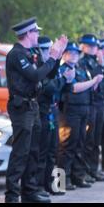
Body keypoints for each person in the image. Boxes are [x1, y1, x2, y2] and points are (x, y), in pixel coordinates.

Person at [3, 17, 67, 203]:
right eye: (36, 32)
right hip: (21, 107)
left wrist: (58, 55)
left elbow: (48, 74)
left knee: (34, 151)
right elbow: (35, 75)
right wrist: (53, 57)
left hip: (32, 105)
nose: (38, 34)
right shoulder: (17, 54)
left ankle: (29, 191)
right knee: (21, 152)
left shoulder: (32, 53)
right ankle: (12, 195)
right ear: (28, 34)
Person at [57, 42, 103, 190]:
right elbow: (75, 88)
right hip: (70, 111)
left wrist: (94, 82)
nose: (75, 55)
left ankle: (77, 176)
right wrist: (93, 81)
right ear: (64, 54)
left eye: (77, 53)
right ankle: (62, 181)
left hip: (83, 110)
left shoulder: (80, 69)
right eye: (71, 52)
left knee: (79, 145)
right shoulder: (64, 69)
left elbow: (90, 89)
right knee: (67, 147)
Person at [35, 36, 74, 196]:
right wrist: (65, 79)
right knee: (41, 152)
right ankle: (38, 186)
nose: (52, 52)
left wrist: (67, 80)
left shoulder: (52, 66)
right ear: (41, 51)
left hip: (53, 110)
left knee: (53, 150)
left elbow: (62, 89)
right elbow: (49, 88)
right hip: (42, 111)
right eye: (48, 50)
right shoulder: (40, 67)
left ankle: (50, 184)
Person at [78, 34, 104, 183]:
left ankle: (93, 169)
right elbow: (91, 82)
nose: (94, 49)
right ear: (83, 46)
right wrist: (99, 66)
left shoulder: (97, 61)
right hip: (90, 104)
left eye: (95, 46)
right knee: (87, 140)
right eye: (91, 46)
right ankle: (85, 171)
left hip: (99, 103)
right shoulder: (82, 63)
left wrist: (103, 65)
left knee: (96, 140)